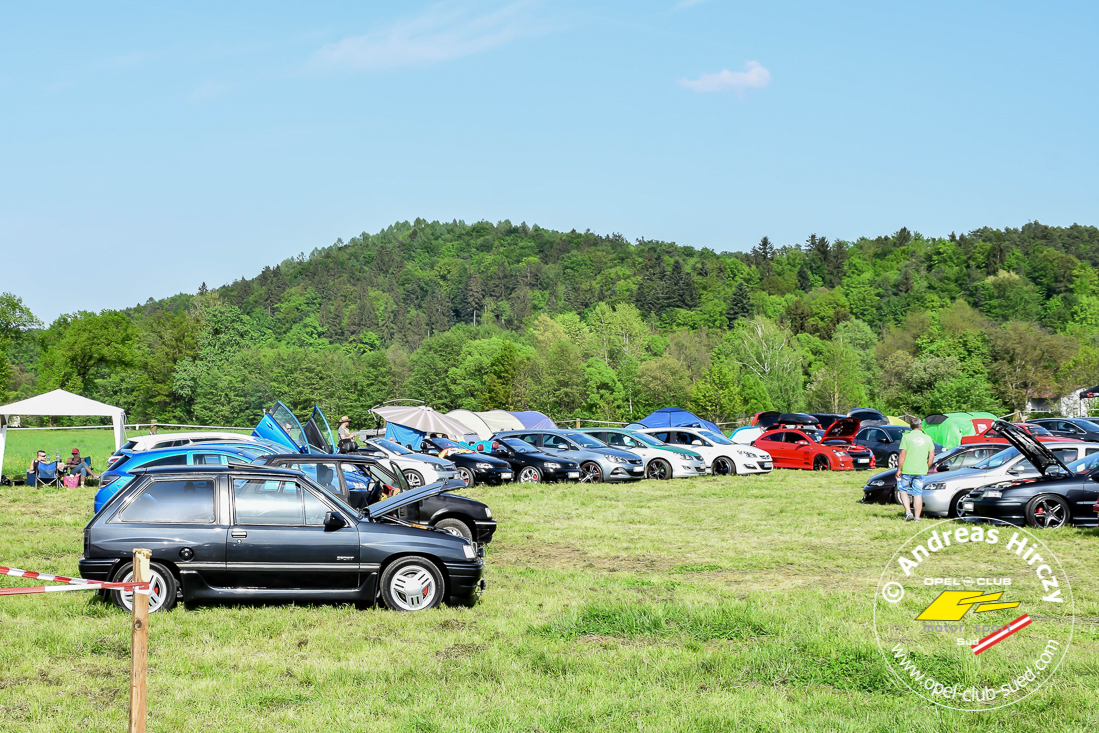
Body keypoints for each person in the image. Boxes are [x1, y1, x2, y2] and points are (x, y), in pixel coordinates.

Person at [897, 417, 934, 522]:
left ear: (910, 426)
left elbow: (902, 455)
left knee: (903, 490)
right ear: (920, 425)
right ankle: (917, 518)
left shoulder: (906, 437)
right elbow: (931, 455)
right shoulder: (927, 438)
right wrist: (927, 467)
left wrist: (899, 469)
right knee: (917, 493)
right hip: (921, 470)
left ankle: (908, 512)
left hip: (907, 470)